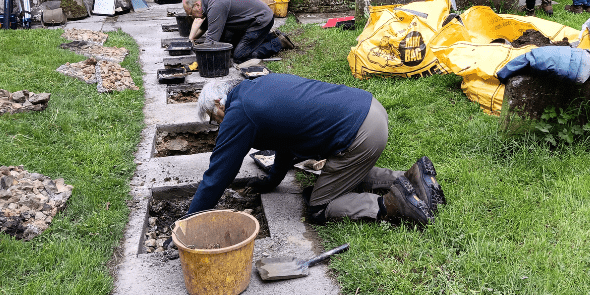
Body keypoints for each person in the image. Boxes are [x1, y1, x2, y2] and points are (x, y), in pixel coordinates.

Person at [187, 74, 447, 226]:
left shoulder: (239, 112)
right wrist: (271, 182)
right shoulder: (258, 87)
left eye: (213, 117)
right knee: (344, 171)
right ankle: (409, 178)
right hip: (370, 110)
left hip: (360, 136)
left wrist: (188, 222)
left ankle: (394, 204)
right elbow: (285, 144)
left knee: (319, 207)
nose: (218, 123)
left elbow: (218, 174)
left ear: (219, 102)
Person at [182, 0, 294, 63]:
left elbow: (211, 41)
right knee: (230, 46)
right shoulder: (209, 1)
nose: (191, 16)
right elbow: (205, 27)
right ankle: (270, 37)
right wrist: (191, 40)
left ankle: (278, 42)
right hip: (253, 20)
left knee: (239, 56)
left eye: (190, 13)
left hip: (261, 21)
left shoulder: (216, 6)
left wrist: (197, 62)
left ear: (197, 5)